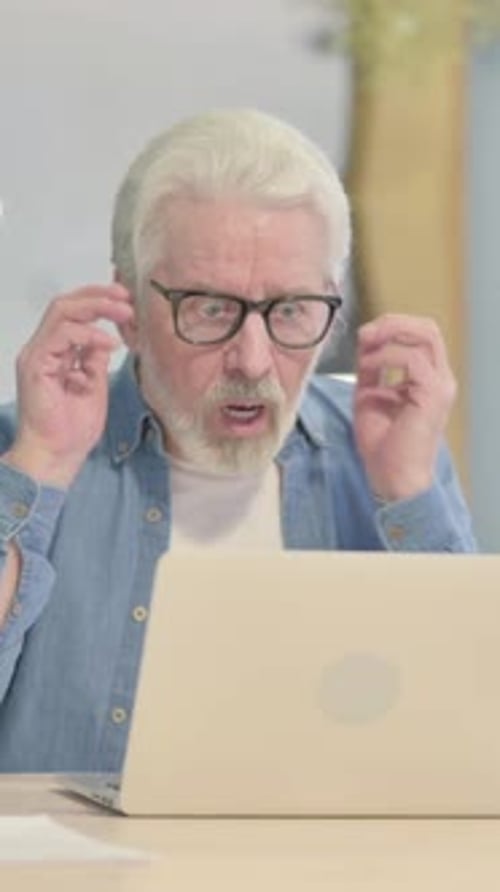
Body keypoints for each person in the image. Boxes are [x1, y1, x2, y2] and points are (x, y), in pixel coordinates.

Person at [0, 108, 475, 772]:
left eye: (290, 310)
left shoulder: (389, 446)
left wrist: (409, 493)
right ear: (128, 308)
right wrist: (41, 466)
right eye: (211, 309)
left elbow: (467, 743)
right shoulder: (26, 447)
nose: (252, 360)